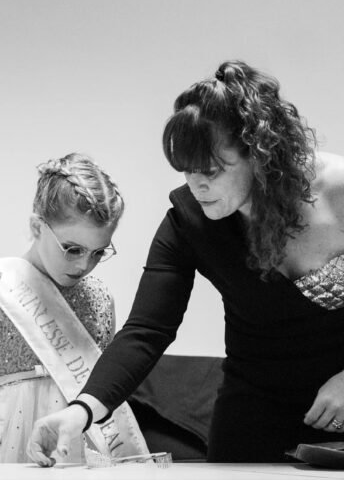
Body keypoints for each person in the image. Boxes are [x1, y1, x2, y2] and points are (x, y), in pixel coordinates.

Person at [27, 60, 344, 464]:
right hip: (254, 410)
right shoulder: (188, 219)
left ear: (261, 154)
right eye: (187, 171)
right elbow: (147, 330)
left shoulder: (338, 189)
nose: (197, 186)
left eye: (211, 171)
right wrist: (80, 412)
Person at [0, 152, 148, 463]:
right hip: (12, 451)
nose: (85, 264)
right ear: (37, 227)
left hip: (82, 449)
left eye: (98, 252)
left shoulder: (101, 297)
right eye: (72, 249)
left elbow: (108, 386)